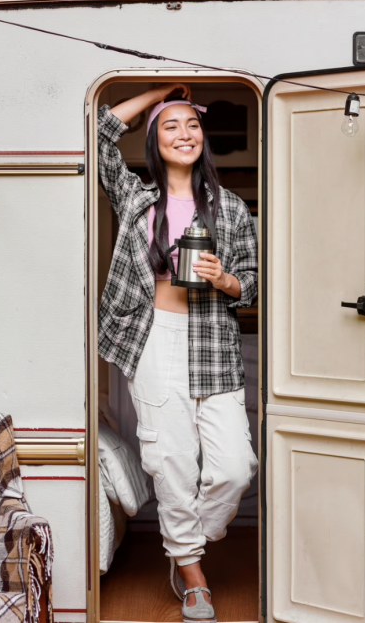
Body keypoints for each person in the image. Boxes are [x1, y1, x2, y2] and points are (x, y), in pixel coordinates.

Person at [97, 83, 258, 623]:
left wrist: (226, 280)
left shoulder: (230, 207)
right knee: (170, 463)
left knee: (235, 467)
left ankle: (185, 537)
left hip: (213, 338)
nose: (184, 133)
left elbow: (254, 283)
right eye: (171, 125)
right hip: (155, 337)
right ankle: (190, 572)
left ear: (203, 138)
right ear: (155, 141)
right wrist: (161, 93)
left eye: (192, 125)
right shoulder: (137, 197)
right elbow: (99, 132)